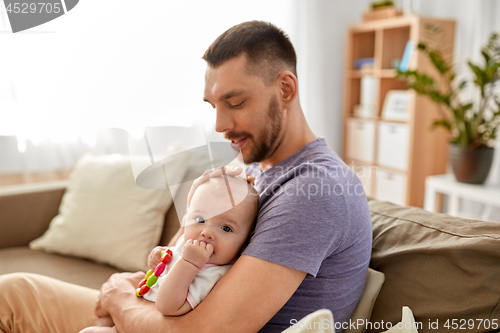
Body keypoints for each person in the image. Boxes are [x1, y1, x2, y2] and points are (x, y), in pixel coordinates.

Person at [0, 20, 372, 333]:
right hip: (167, 309)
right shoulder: (253, 169)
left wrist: (119, 300)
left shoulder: (314, 190)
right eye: (214, 106)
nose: (221, 125)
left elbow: (205, 331)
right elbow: (178, 256)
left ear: (285, 89)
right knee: (14, 292)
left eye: (236, 102)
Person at [80, 176, 259, 333]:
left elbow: (166, 306)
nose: (206, 232)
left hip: (144, 324)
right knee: (100, 317)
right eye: (200, 220)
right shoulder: (189, 244)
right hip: (133, 312)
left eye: (226, 228)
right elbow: (170, 257)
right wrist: (160, 255)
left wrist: (189, 263)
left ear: (245, 243)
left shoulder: (213, 276)